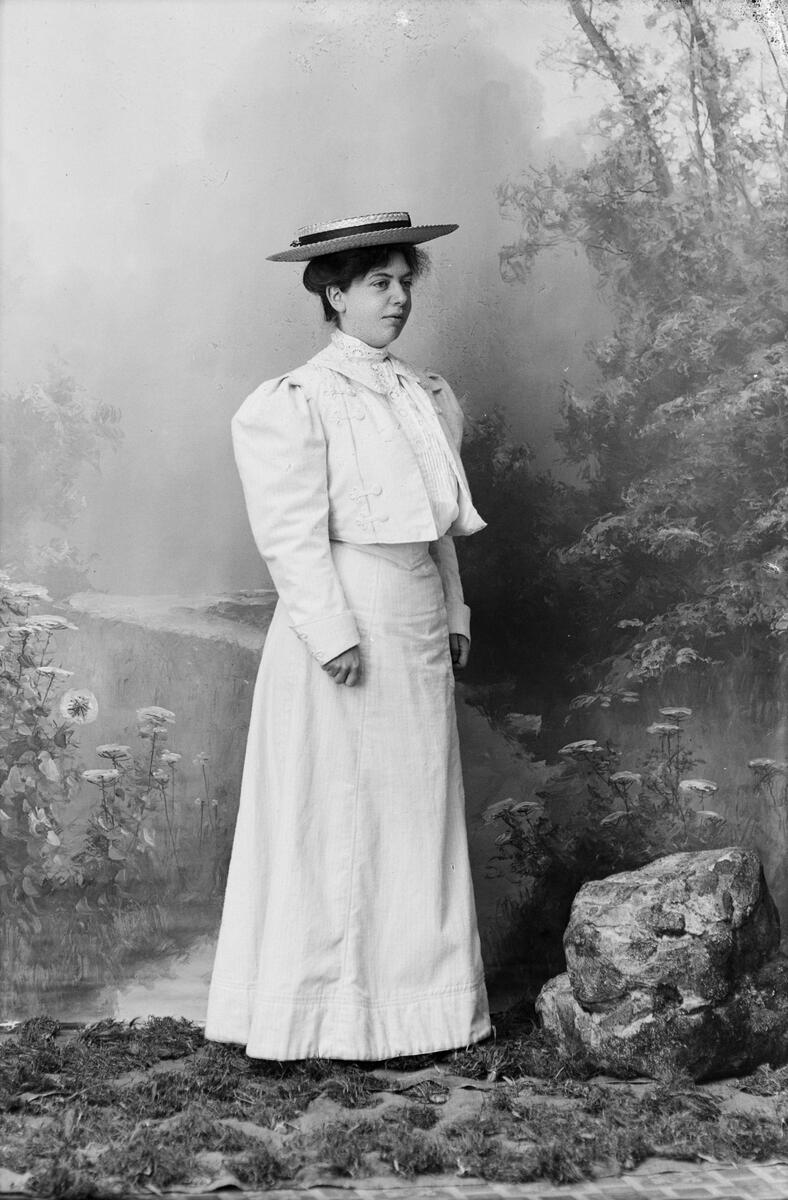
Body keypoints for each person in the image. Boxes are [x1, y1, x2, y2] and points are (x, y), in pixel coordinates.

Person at [205, 211, 491, 1060]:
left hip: (412, 612)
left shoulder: (424, 394)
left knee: (414, 808)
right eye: (378, 283)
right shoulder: (297, 400)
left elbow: (436, 522)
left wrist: (453, 611)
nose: (398, 297)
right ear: (334, 294)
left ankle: (417, 1014)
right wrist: (330, 631)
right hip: (342, 611)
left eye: (404, 282)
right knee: (333, 812)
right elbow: (290, 533)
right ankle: (321, 1015)